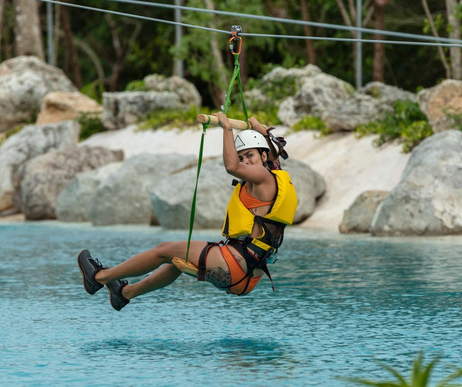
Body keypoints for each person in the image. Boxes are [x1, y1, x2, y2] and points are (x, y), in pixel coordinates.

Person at [77, 111, 298, 311]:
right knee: (176, 261)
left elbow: (232, 167)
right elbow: (272, 155)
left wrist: (227, 128)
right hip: (248, 276)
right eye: (241, 156)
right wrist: (260, 130)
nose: (245, 161)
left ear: (263, 156)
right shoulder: (275, 176)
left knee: (163, 249)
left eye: (249, 155)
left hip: (235, 265)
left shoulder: (262, 176)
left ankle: (99, 277)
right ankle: (124, 293)